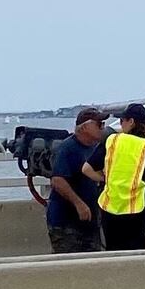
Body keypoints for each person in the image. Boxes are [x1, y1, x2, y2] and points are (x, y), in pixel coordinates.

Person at [82, 104, 145, 251]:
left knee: (113, 250)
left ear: (132, 122)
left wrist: (106, 179)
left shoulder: (112, 141)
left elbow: (86, 169)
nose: (121, 123)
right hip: (137, 210)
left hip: (109, 208)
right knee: (136, 251)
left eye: (123, 120)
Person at [46, 107, 109, 253]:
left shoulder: (96, 148)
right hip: (66, 221)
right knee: (68, 262)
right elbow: (57, 180)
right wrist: (79, 204)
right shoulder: (67, 148)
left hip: (90, 221)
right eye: (99, 124)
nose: (103, 128)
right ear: (85, 126)